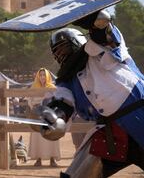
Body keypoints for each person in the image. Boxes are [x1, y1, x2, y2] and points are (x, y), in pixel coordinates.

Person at [39, 10, 144, 177]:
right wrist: (53, 117)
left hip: (140, 115)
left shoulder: (105, 47)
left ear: (77, 42)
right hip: (111, 134)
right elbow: (62, 102)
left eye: (64, 49)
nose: (61, 55)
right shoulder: (67, 81)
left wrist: (92, 21)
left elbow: (104, 29)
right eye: (57, 53)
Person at [27, 68, 60, 167]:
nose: (42, 77)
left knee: (51, 135)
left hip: (50, 116)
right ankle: (38, 158)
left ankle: (52, 158)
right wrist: (35, 104)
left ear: (47, 76)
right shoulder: (33, 88)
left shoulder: (53, 88)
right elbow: (30, 101)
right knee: (38, 137)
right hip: (38, 115)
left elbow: (57, 101)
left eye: (44, 75)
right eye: (40, 75)